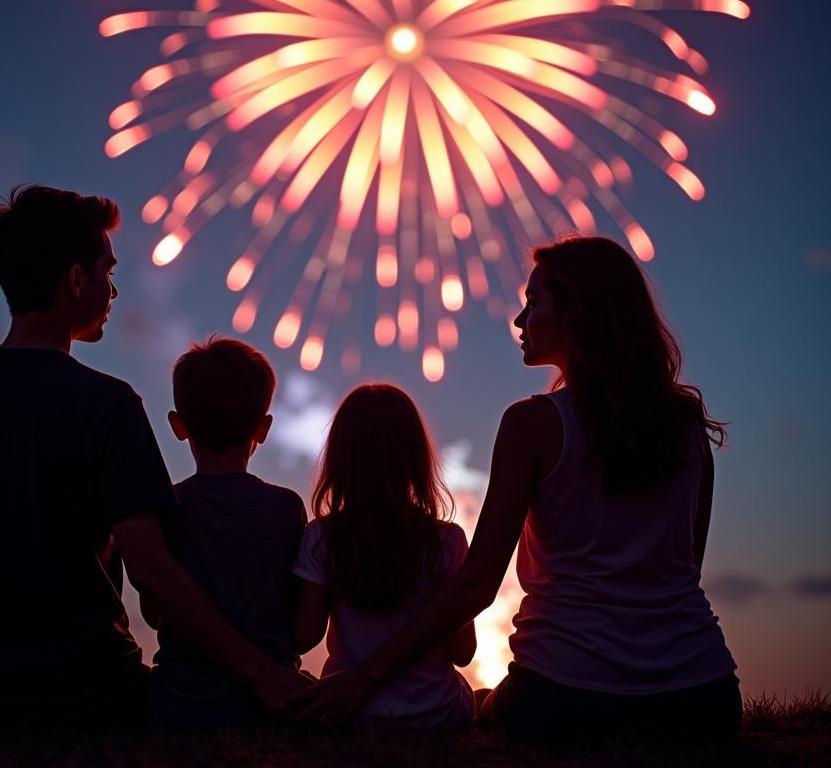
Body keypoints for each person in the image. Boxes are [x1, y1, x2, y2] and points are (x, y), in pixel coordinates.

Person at [0, 183, 306, 735]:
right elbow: (152, 570)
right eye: (107, 273)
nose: (113, 290)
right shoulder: (108, 405)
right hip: (88, 700)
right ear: (76, 280)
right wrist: (262, 674)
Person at [294, 236, 741, 741]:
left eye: (533, 304)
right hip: (704, 697)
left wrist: (362, 677)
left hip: (564, 693)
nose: (518, 321)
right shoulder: (687, 428)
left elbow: (479, 583)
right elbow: (684, 570)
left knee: (489, 706)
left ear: (576, 314)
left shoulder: (532, 424)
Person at [291, 384, 476, 732]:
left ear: (340, 458)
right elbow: (463, 652)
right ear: (416, 458)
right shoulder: (447, 541)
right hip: (437, 715)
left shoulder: (321, 538)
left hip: (350, 715)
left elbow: (304, 637)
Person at [147, 337, 308, 727]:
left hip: (180, 701)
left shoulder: (164, 508)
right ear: (263, 428)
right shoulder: (286, 508)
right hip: (271, 704)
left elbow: (153, 614)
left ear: (178, 426)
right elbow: (297, 625)